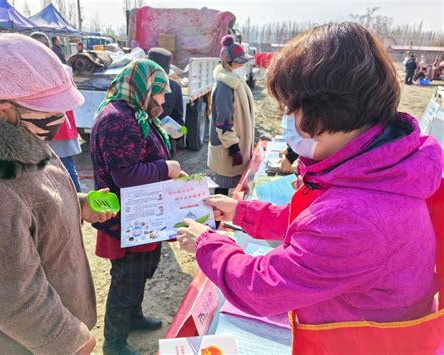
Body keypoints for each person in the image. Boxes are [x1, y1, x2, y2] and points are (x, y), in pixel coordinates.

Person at [177, 22, 443, 352]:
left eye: (292, 107)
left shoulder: (353, 216)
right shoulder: (381, 168)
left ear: (325, 110)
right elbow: (313, 224)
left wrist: (208, 244)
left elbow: (262, 287)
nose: (287, 119)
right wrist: (243, 212)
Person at [0, 33, 116, 354]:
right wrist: (67, 341)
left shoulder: (25, 139)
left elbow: (30, 210)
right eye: (49, 109)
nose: (60, 119)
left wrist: (79, 206)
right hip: (22, 346)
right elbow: (9, 296)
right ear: (3, 111)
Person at [91, 59, 185, 355]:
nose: (163, 99)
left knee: (141, 272)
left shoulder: (136, 113)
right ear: (143, 89)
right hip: (125, 220)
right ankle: (114, 342)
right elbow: (126, 174)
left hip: (142, 216)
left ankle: (134, 317)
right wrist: (166, 168)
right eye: (159, 92)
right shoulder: (118, 119)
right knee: (126, 280)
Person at [30, 31, 83, 192]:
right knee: (56, 168)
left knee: (65, 167)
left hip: (54, 124)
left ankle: (78, 205)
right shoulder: (60, 68)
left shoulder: (61, 69)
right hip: (47, 124)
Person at [208, 35, 255, 196]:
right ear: (228, 64)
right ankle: (216, 219)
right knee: (222, 188)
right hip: (227, 149)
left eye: (244, 62)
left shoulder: (236, 81)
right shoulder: (224, 86)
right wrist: (234, 149)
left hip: (237, 146)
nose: (242, 65)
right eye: (239, 62)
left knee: (234, 189)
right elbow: (223, 122)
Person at [148, 47, 184, 124]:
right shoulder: (138, 87)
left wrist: (182, 131)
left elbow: (179, 120)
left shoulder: (174, 87)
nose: (163, 100)